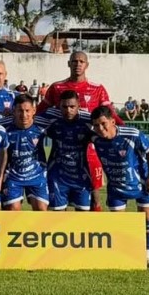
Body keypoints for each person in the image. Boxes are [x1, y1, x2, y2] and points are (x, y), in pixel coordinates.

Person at [37, 51, 122, 212]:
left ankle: (92, 233)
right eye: (74, 61)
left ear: (87, 65)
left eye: (81, 61)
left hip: (91, 150)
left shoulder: (97, 88)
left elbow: (110, 113)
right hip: (63, 149)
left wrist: (122, 130)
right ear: (69, 64)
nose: (78, 64)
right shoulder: (57, 87)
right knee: (57, 200)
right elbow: (40, 111)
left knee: (94, 200)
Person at [90, 105, 149, 268]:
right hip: (116, 188)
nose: (100, 128)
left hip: (141, 185)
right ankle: (122, 257)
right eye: (96, 125)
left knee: (146, 221)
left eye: (103, 123)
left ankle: (146, 259)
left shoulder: (132, 135)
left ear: (113, 122)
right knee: (118, 224)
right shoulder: (94, 138)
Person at [0, 94, 51, 211]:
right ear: (14, 111)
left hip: (37, 174)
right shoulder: (3, 126)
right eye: (20, 111)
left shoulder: (43, 124)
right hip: (13, 175)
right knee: (13, 209)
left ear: (34, 110)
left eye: (27, 110)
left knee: (41, 209)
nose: (24, 115)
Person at [45, 90, 93, 212]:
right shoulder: (51, 119)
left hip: (81, 176)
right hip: (58, 176)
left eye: (72, 107)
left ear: (79, 106)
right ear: (59, 107)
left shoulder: (89, 121)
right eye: (64, 107)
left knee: (83, 216)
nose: (68, 110)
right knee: (58, 217)